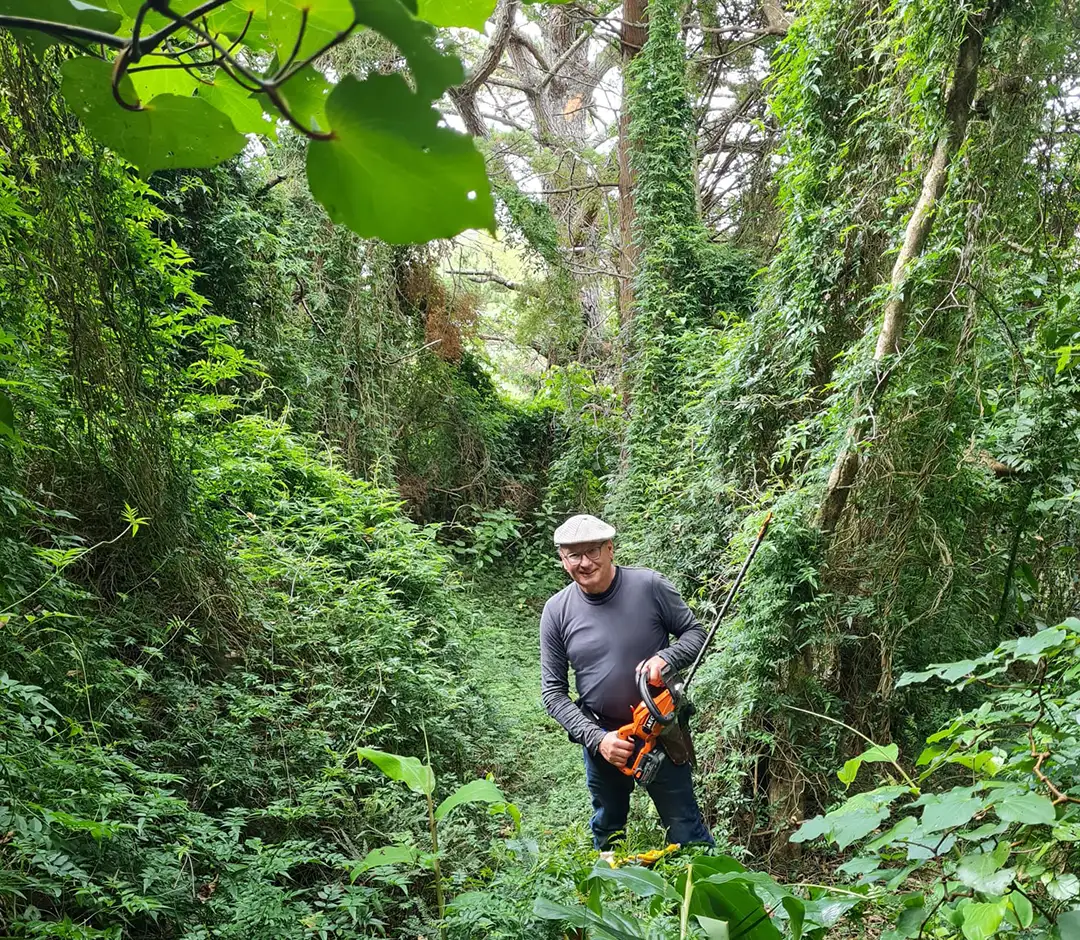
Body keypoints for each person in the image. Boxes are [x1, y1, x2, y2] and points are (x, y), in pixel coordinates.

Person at [539, 512, 714, 852]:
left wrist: (667, 658)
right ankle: (613, 895)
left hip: (660, 730)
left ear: (610, 549)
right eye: (574, 555)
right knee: (608, 829)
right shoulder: (556, 611)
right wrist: (598, 739)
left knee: (686, 830)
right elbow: (553, 693)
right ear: (562, 559)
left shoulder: (649, 586)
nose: (585, 562)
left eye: (593, 551)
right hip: (603, 737)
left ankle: (708, 895)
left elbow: (696, 634)